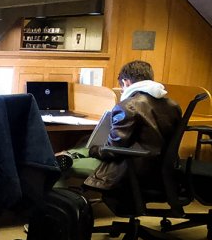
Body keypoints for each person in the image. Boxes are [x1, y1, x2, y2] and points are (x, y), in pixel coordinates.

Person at [56, 60, 182, 194]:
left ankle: (64, 208)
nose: (122, 90)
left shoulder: (128, 106)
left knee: (55, 166)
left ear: (126, 82)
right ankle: (70, 156)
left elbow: (112, 151)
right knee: (82, 144)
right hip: (158, 168)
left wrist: (93, 150)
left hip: (126, 168)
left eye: (122, 86)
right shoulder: (173, 105)